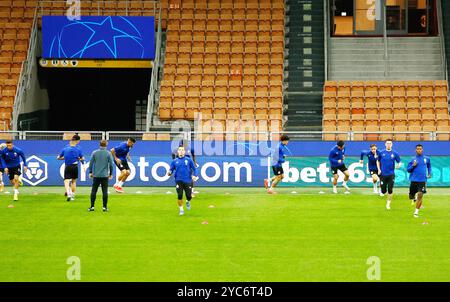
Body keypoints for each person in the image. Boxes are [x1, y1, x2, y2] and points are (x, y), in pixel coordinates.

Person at [167, 146, 199, 216]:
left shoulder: (189, 160)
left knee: (189, 196)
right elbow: (171, 170)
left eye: (182, 150)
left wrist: (195, 175)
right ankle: (181, 210)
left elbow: (195, 169)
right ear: (177, 152)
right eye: (179, 150)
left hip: (188, 180)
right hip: (178, 180)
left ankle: (187, 201)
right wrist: (169, 172)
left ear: (184, 152)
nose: (181, 151)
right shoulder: (174, 161)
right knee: (180, 195)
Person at [88, 140, 114, 212]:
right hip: (105, 175)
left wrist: (90, 172)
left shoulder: (94, 152)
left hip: (96, 175)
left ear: (100, 145)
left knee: (94, 190)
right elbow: (111, 165)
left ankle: (92, 207)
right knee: (104, 191)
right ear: (106, 145)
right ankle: (104, 207)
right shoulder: (108, 153)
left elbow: (91, 163)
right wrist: (111, 174)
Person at [407, 144, 431, 218]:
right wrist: (413, 166)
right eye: (418, 149)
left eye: (420, 149)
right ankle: (413, 198)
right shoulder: (412, 159)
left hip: (422, 180)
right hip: (414, 180)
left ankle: (416, 212)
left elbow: (429, 166)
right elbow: (408, 170)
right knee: (411, 196)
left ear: (422, 149)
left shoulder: (426, 158)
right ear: (415, 150)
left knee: (420, 195)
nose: (419, 150)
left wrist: (429, 173)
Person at [57, 136, 85, 201]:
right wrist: (81, 162)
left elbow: (58, 157)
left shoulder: (65, 148)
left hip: (68, 166)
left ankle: (68, 193)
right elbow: (82, 158)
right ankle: (72, 194)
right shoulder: (78, 149)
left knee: (66, 180)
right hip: (75, 166)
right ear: (77, 141)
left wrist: (64, 158)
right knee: (74, 181)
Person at [377, 139, 401, 210]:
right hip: (383, 174)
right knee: (383, 190)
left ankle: (388, 204)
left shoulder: (395, 153)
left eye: (390, 143)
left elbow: (399, 161)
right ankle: (382, 190)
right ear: (385, 144)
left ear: (392, 144)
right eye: (387, 143)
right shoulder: (381, 153)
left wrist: (398, 165)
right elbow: (377, 161)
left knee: (390, 189)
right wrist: (379, 169)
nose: (388, 145)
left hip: (391, 174)